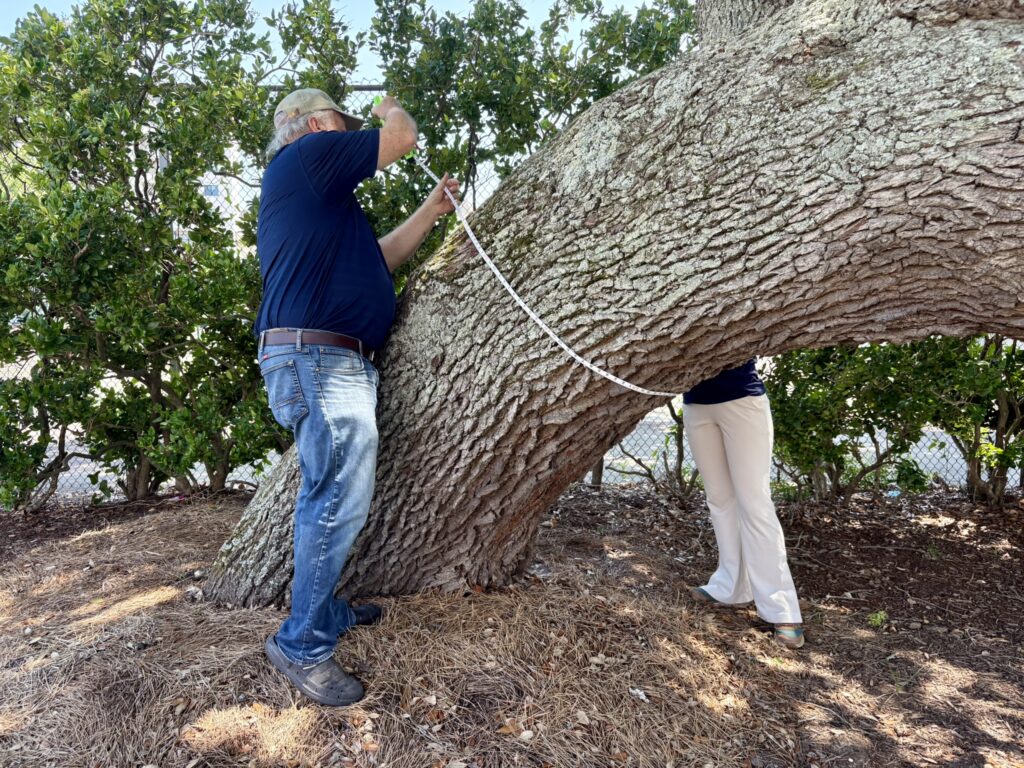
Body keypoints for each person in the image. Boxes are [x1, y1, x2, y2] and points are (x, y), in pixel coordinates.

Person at [254, 88, 460, 705]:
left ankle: (324, 612)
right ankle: (302, 644)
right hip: (320, 358)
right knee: (335, 498)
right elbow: (400, 138)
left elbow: (379, 259)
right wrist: (388, 109)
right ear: (318, 123)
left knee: (337, 495)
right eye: (340, 123)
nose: (346, 132)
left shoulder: (324, 205)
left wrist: (431, 208)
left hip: (328, 359)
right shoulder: (307, 156)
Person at [682, 359, 804, 649]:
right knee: (720, 500)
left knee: (755, 504)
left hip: (742, 400)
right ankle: (730, 586)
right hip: (695, 404)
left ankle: (782, 608)